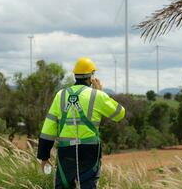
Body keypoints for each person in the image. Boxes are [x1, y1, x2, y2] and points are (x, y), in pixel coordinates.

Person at [37, 57, 125, 189]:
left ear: (75, 75)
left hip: (66, 152)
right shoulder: (97, 96)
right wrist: (101, 93)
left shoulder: (60, 95)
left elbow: (48, 129)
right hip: (89, 152)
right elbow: (119, 114)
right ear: (91, 76)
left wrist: (44, 156)